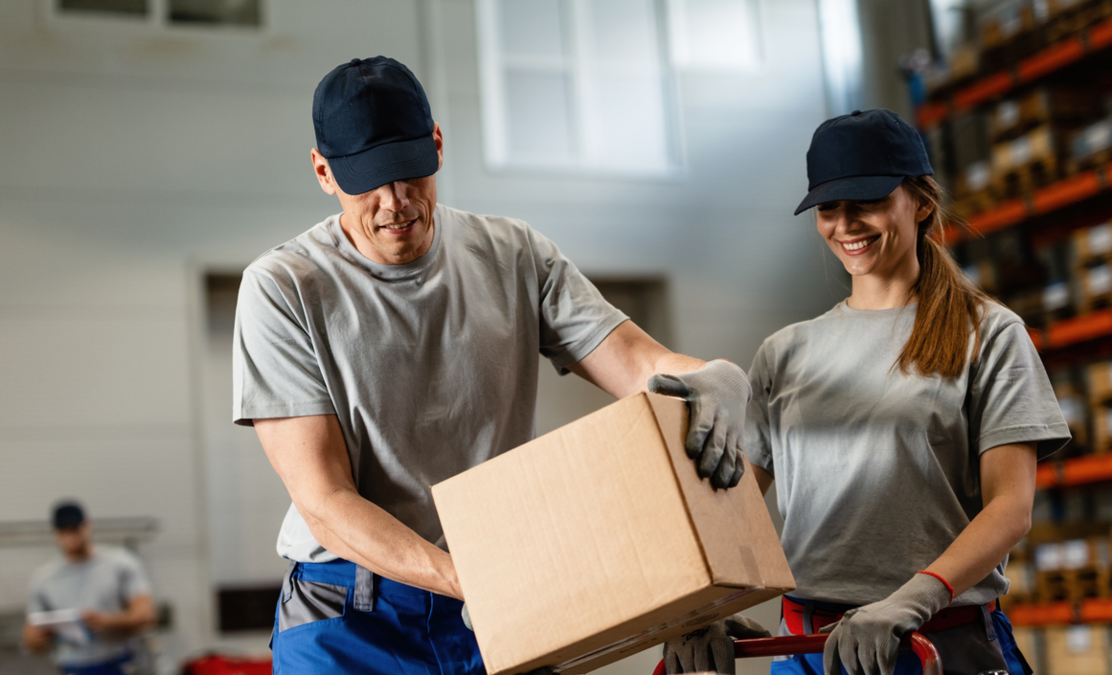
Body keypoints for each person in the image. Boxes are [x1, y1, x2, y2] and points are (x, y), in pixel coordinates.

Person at [232, 55, 760, 675]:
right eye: (368, 181)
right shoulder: (284, 287)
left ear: (437, 145)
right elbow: (325, 499)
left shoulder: (513, 254)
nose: (395, 201)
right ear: (324, 172)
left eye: (410, 172)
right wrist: (473, 581)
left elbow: (637, 362)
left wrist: (715, 378)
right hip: (351, 613)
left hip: (494, 601)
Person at [682, 108, 1067, 675]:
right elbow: (734, 509)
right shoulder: (784, 352)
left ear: (922, 202)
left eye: (866, 203)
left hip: (932, 644)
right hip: (808, 651)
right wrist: (701, 611)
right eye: (828, 209)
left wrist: (913, 599)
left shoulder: (989, 333)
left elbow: (1010, 507)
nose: (846, 225)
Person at [22, 501, 157, 675]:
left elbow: (146, 615)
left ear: (87, 526)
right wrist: (37, 639)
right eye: (64, 531)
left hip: (116, 663)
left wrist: (107, 621)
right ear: (55, 533)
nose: (70, 536)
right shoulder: (43, 579)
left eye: (75, 528)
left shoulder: (120, 564)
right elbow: (30, 639)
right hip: (71, 667)